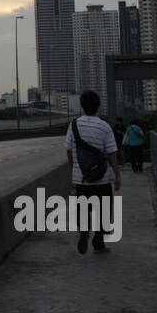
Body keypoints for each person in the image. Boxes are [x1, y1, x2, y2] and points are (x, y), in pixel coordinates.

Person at [66, 90, 120, 254]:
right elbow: (112, 153)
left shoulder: (74, 125)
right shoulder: (104, 126)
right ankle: (98, 243)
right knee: (104, 212)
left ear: (82, 106)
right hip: (102, 178)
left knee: (83, 208)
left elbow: (68, 149)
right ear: (98, 106)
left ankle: (84, 229)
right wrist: (117, 174)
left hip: (81, 179)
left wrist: (73, 169)